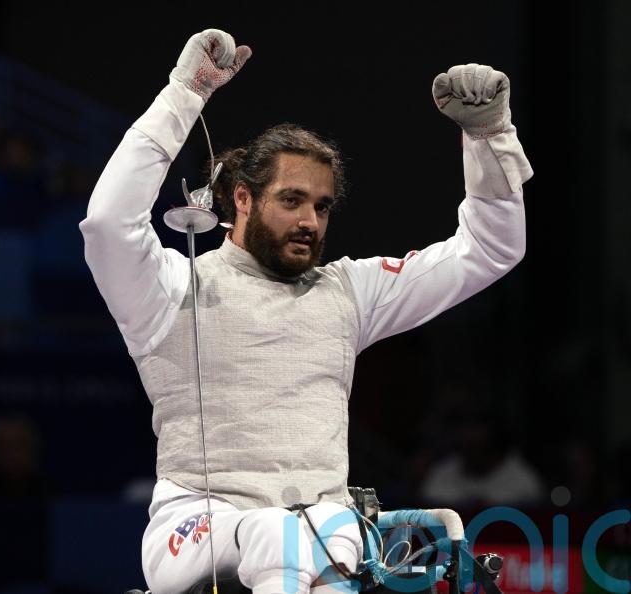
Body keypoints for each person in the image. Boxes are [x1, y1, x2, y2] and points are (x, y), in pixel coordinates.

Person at [80, 29, 532, 594]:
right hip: (197, 528)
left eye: (321, 206)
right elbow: (106, 226)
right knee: (288, 534)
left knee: (327, 527)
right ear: (242, 198)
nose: (309, 222)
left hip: (323, 529)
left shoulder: (346, 292)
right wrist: (184, 94)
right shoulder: (171, 287)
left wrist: (491, 136)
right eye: (291, 201)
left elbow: (490, 250)